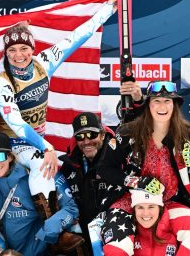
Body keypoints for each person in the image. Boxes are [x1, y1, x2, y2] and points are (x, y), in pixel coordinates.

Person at [0, 0, 117, 220]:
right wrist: (47, 147)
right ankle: (51, 226)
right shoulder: (1, 83)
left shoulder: (44, 62)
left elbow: (76, 38)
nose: (19, 55)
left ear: (33, 48)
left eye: (23, 49)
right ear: (5, 53)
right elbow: (17, 124)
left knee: (53, 169)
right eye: (12, 51)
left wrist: (107, 10)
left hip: (37, 142)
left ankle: (63, 226)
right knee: (41, 162)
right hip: (15, 143)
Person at [97, 80, 190, 255]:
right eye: (156, 101)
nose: (162, 106)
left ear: (175, 105)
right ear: (148, 105)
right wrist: (135, 181)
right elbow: (104, 168)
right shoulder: (127, 133)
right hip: (129, 202)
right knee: (117, 249)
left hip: (168, 202)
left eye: (167, 101)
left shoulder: (187, 135)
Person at [0, 132, 82, 255]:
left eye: (0, 156)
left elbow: (71, 208)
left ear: (10, 157)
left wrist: (51, 228)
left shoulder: (37, 175)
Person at [58, 112, 114, 244]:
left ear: (102, 134)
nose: (87, 141)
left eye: (92, 135)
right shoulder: (69, 165)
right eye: (80, 137)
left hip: (113, 230)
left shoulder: (117, 157)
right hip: (83, 236)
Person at [130, 186, 189, 255]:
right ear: (134, 210)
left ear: (159, 208)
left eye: (151, 207)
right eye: (140, 207)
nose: (145, 213)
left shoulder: (172, 224)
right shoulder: (128, 231)